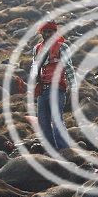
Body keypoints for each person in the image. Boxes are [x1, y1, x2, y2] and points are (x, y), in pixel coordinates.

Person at [31, 21, 73, 151]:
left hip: (57, 88)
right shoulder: (37, 48)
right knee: (43, 121)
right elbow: (34, 67)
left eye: (50, 32)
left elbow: (69, 68)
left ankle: (64, 149)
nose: (47, 34)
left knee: (56, 120)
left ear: (55, 33)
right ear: (41, 33)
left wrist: (73, 87)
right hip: (42, 89)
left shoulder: (62, 47)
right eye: (45, 32)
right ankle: (51, 149)